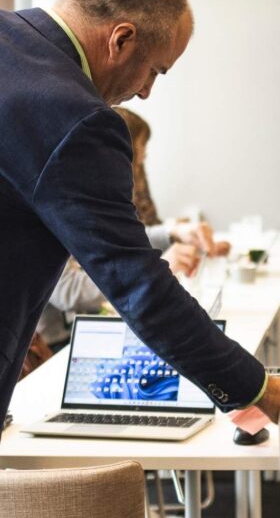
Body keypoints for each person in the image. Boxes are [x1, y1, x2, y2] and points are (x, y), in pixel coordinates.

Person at [0, 0, 280, 426]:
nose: (146, 93)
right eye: (155, 72)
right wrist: (259, 387)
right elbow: (138, 286)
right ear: (121, 39)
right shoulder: (76, 119)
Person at [37, 107, 227, 349]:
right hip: (54, 345)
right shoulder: (57, 196)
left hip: (79, 330)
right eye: (137, 162)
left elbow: (122, 239)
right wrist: (150, 270)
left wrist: (173, 233)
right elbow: (68, 291)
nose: (138, 174)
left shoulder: (91, 194)